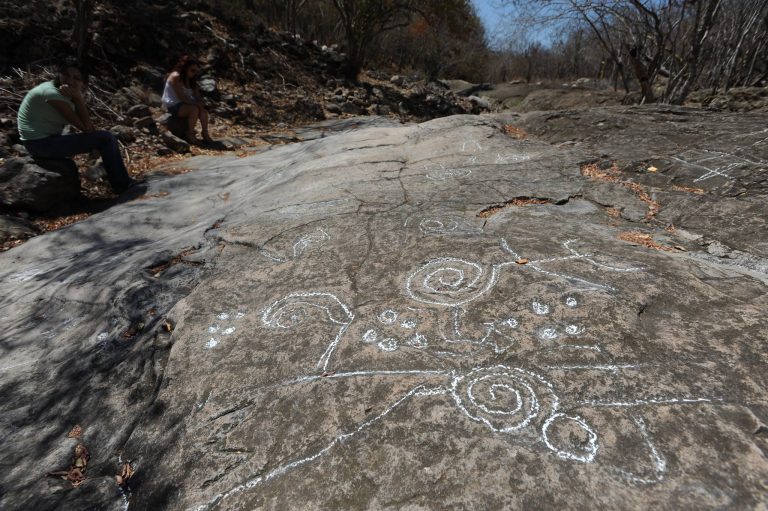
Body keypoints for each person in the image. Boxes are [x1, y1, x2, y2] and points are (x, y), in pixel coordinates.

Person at [17, 58, 137, 194]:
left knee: (102, 139)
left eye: (76, 78)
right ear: (59, 74)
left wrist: (93, 143)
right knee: (106, 138)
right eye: (66, 75)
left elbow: (88, 129)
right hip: (40, 145)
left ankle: (116, 181)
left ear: (84, 83)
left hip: (43, 141)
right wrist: (78, 97)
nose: (69, 81)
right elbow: (87, 128)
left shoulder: (60, 91)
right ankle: (122, 185)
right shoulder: (52, 94)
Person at [162, 56, 213, 144]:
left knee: (203, 110)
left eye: (196, 71)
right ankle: (190, 133)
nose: (194, 73)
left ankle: (205, 133)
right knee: (194, 109)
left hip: (187, 104)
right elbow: (181, 97)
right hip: (174, 105)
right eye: (192, 70)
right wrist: (196, 104)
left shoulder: (192, 82)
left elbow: (198, 96)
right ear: (186, 68)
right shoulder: (176, 77)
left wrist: (201, 103)